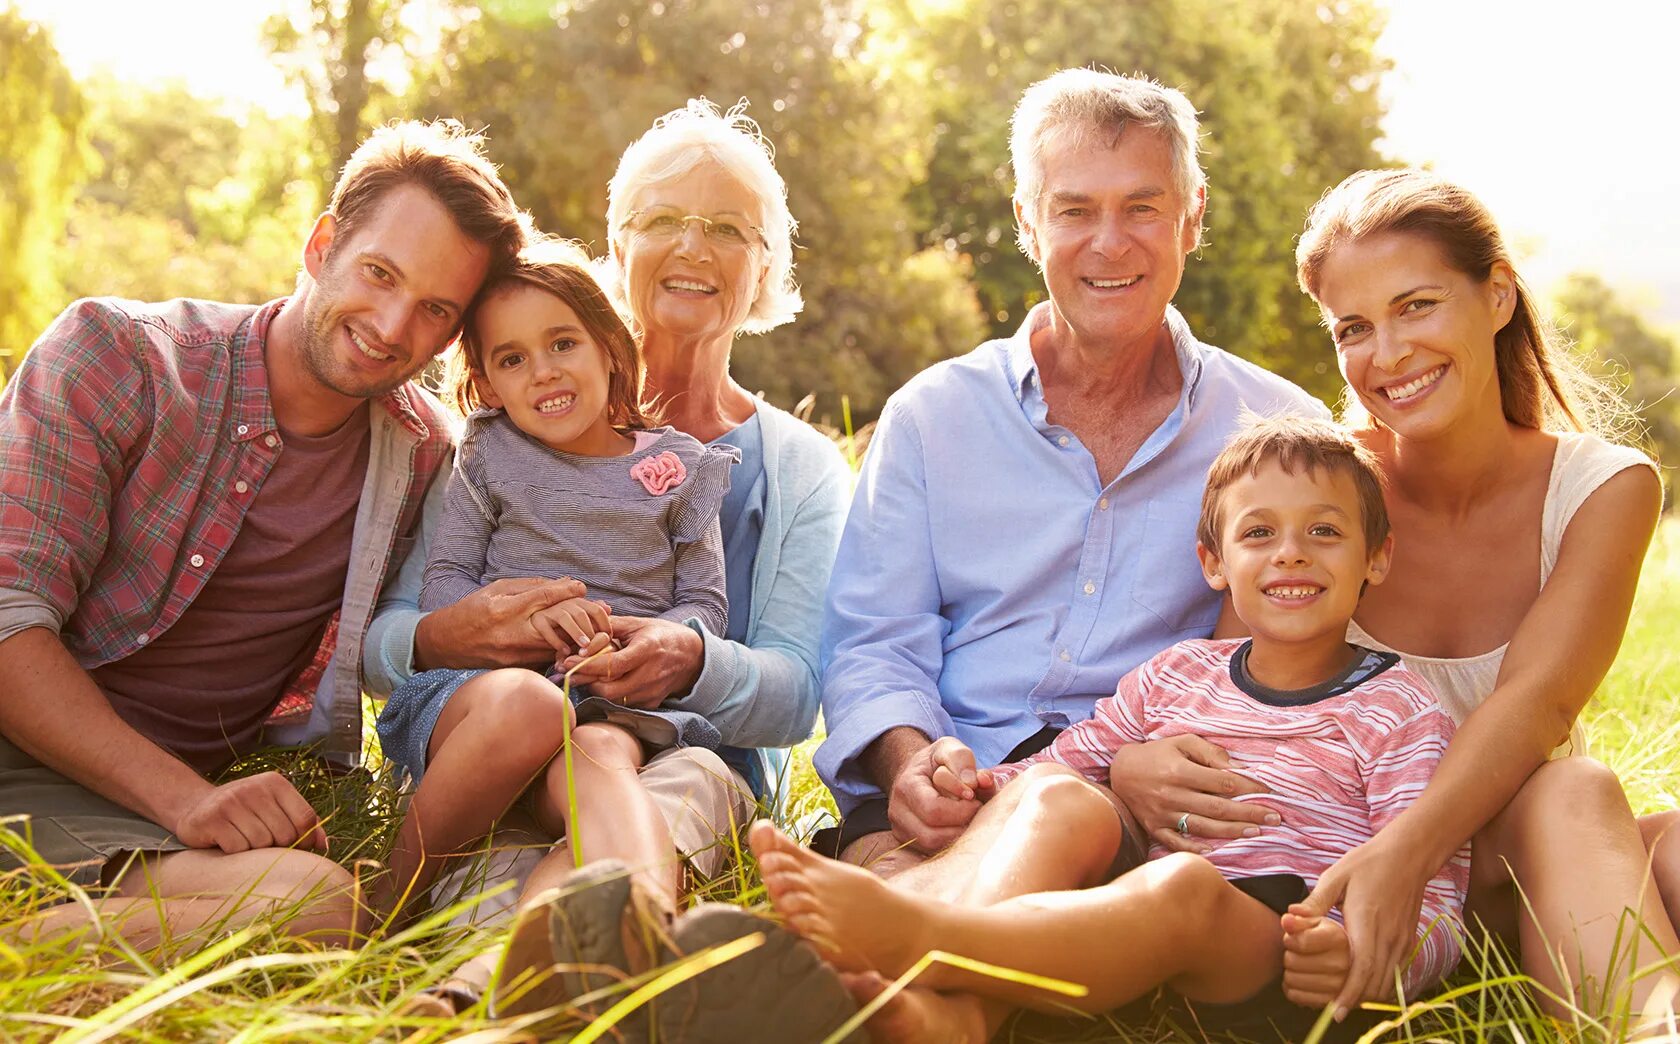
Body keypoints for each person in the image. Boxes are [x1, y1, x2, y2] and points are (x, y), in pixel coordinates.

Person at [1109, 168, 1680, 1023]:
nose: (1389, 353)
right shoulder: (1320, 499)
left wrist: (1405, 856)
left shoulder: (1604, 486)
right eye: (1354, 328)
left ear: (1496, 296)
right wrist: (1129, 767)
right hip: (1337, 890)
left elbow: (1537, 705)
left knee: (1582, 796)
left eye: (1417, 306)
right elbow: (1233, 692)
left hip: (1503, 866)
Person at [364, 100, 851, 1035]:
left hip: (664, 747)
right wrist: (459, 631)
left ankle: (472, 998)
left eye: (727, 229)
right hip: (490, 755)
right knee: (528, 839)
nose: (693, 248)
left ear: (764, 272)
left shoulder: (794, 470)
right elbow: (383, 648)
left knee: (655, 802)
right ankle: (620, 976)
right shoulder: (501, 438)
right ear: (615, 250)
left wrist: (693, 659)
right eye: (663, 220)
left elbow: (795, 700)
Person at [750, 415, 1469, 1042]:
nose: (1290, 553)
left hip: (1283, 945)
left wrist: (1370, 959)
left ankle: (923, 932)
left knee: (1184, 886)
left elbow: (1433, 893)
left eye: (1324, 530)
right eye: (1258, 533)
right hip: (1135, 925)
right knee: (1061, 795)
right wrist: (970, 782)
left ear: (1378, 555)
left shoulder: (1402, 710)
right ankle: (956, 1019)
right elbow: (1071, 759)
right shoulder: (1178, 674)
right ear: (1213, 564)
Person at [0, 120, 532, 951]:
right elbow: (7, 620)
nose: (392, 327)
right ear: (322, 245)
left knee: (319, 907)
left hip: (125, 816)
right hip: (47, 764)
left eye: (434, 309)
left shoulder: (424, 455)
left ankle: (39, 944)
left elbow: (424, 639)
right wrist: (187, 800)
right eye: (379, 274)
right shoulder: (116, 358)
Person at [814, 67, 1325, 883]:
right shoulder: (932, 415)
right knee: (889, 856)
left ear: (1192, 216)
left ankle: (893, 945)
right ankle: (923, 976)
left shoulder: (1278, 431)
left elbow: (1306, 649)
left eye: (1142, 208)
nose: (1109, 243)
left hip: (1133, 805)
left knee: (1027, 840)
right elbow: (873, 642)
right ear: (1027, 220)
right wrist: (907, 762)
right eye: (1075, 210)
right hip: (945, 779)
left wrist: (1150, 757)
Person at [369, 238, 736, 923]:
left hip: (610, 703)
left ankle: (640, 929)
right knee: (533, 709)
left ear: (608, 346)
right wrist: (511, 626)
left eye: (562, 343)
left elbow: (705, 604)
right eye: (512, 359)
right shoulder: (488, 453)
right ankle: (390, 903)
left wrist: (650, 642)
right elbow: (446, 580)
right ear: (488, 384)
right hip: (483, 702)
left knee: (597, 746)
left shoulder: (683, 467)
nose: (541, 372)